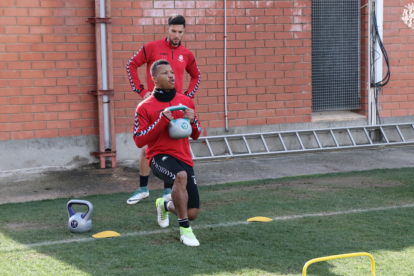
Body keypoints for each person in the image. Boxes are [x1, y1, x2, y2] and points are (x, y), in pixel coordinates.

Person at [126, 14, 201, 205]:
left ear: (184, 32)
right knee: (147, 146)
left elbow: (196, 76)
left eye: (180, 32)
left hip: (176, 105)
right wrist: (142, 91)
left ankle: (168, 191)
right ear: (167, 29)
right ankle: (143, 188)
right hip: (156, 101)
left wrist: (187, 96)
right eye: (173, 31)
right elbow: (131, 65)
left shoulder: (186, 53)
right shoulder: (152, 47)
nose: (176, 35)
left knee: (173, 144)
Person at [133, 59, 202, 246]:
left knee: (192, 212)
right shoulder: (144, 107)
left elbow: (196, 134)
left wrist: (193, 120)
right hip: (158, 157)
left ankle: (163, 204)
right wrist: (162, 120)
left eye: (172, 72)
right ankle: (185, 231)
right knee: (179, 176)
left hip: (184, 158)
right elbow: (139, 140)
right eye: (165, 73)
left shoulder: (186, 101)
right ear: (154, 79)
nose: (171, 75)